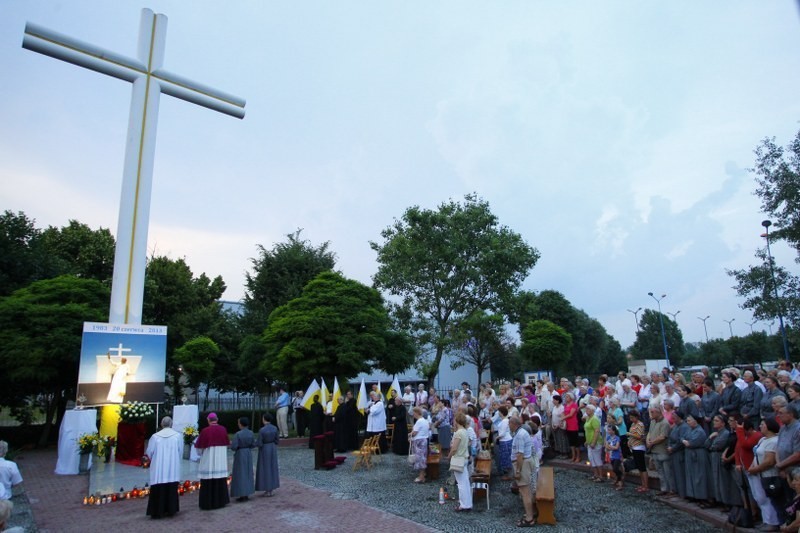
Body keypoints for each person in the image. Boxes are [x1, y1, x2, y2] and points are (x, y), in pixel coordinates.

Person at [145, 416, 182, 518]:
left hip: (159, 468)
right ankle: (171, 510)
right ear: (171, 424)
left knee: (158, 487)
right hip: (172, 467)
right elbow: (180, 451)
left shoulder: (155, 437)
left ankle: (157, 510)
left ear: (161, 424)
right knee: (171, 486)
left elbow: (150, 452)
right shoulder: (177, 436)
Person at [749, 418, 781, 531]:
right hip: (759, 474)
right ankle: (766, 520)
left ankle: (773, 522)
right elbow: (757, 454)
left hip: (769, 474)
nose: (760, 426)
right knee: (760, 497)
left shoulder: (774, 441)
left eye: (763, 424)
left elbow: (769, 461)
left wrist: (755, 469)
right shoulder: (762, 439)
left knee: (770, 498)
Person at [195, 413, 230, 510]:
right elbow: (227, 444)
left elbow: (199, 448)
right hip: (220, 462)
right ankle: (220, 501)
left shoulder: (205, 431)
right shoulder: (223, 429)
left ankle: (208, 503)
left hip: (208, 460)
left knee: (208, 480)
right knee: (219, 480)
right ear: (217, 419)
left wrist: (200, 454)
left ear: (208, 420)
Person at [509, 415, 537, 526]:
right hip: (526, 462)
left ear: (513, 424)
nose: (508, 426)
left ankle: (529, 519)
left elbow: (520, 454)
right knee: (527, 491)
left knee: (525, 492)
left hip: (523, 464)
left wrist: (518, 471)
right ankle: (530, 513)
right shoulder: (521, 432)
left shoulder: (520, 435)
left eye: (509, 424)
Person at [683, 415, 711, 505]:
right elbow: (683, 437)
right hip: (691, 454)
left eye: (689, 420)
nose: (688, 422)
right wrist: (685, 441)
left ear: (695, 421)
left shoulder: (700, 431)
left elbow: (691, 443)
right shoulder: (689, 430)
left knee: (700, 476)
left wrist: (686, 441)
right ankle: (694, 495)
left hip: (699, 455)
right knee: (692, 475)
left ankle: (702, 497)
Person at [449, 412, 472, 512]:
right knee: (465, 483)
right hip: (465, 458)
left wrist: (449, 456)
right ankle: (468, 503)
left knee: (461, 484)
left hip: (458, 458)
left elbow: (454, 448)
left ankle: (463, 505)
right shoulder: (465, 431)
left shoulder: (459, 433)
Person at [230, 417, 255, 502]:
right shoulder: (251, 433)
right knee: (248, 473)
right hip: (248, 453)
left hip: (240, 453)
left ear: (241, 424)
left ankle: (241, 493)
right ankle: (247, 492)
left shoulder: (238, 434)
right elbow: (253, 444)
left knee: (240, 473)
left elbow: (233, 447)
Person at [255, 413, 280, 497]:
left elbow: (259, 442)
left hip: (265, 449)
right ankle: (272, 488)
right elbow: (277, 440)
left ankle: (267, 487)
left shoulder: (262, 430)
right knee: (272, 467)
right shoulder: (275, 428)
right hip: (272, 448)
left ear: (264, 419)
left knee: (265, 468)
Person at [666, 410, 688, 498]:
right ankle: (676, 490)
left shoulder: (684, 427)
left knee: (680, 474)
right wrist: (669, 446)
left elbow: (681, 440)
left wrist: (673, 448)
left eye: (674, 416)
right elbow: (670, 438)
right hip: (673, 452)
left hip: (679, 452)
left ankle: (683, 493)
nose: (673, 418)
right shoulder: (675, 426)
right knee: (674, 473)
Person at [583, 405, 603, 482]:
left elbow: (597, 431)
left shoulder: (595, 419)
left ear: (592, 410)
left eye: (588, 409)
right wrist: (587, 441)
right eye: (586, 409)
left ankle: (600, 476)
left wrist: (593, 442)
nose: (586, 410)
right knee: (591, 458)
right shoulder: (588, 418)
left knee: (597, 458)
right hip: (589, 441)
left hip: (596, 442)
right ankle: (595, 474)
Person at [409, 406, 430, 483]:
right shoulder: (425, 421)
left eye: (414, 413)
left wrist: (410, 435)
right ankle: (423, 474)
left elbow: (414, 433)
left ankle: (421, 477)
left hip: (419, 441)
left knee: (420, 459)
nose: (413, 414)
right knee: (423, 458)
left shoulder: (419, 421)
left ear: (417, 413)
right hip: (424, 440)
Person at [779, 467, 800, 532]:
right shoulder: (797, 496)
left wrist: (786, 529)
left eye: (796, 480)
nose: (793, 483)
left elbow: (798, 523)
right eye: (792, 479)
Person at [563, 392, 581, 463]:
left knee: (575, 441)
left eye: (567, 396)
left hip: (573, 424)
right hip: (567, 424)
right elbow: (564, 412)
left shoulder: (574, 405)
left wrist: (563, 418)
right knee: (571, 441)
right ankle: (573, 456)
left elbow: (571, 414)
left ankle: (578, 456)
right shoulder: (565, 405)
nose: (566, 398)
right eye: (566, 397)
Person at [605, 424, 624, 491]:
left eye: (609, 430)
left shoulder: (617, 438)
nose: (608, 431)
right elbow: (606, 446)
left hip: (617, 455)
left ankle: (620, 482)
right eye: (608, 430)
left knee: (615, 469)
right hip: (611, 455)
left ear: (613, 431)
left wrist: (610, 447)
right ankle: (618, 479)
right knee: (614, 468)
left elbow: (617, 447)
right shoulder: (608, 438)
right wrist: (611, 447)